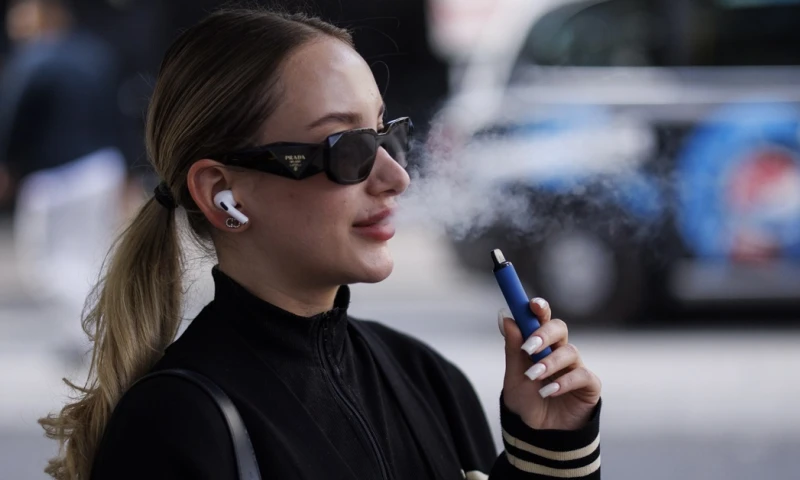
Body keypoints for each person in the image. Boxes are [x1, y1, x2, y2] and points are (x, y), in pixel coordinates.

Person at [39, 8, 603, 480]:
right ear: (223, 195)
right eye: (346, 148)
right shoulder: (175, 425)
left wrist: (549, 447)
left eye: (387, 136)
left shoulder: (429, 378)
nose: (396, 176)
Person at [0, 0, 126, 348]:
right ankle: (103, 331)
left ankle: (95, 332)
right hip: (103, 168)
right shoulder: (97, 54)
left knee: (46, 267)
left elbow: (13, 122)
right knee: (89, 257)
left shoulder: (33, 60)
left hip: (56, 177)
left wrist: (7, 166)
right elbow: (118, 117)